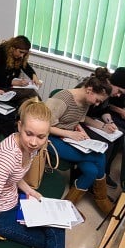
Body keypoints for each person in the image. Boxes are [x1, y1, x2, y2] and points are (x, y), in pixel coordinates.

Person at [0, 99, 64, 248]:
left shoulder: (31, 147)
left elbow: (14, 176)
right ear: (20, 126)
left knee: (57, 228)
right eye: (29, 133)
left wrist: (31, 192)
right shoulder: (7, 156)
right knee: (49, 244)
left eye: (41, 136)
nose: (34, 142)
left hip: (13, 200)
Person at [45, 75, 116, 215]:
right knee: (99, 156)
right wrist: (70, 134)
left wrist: (84, 135)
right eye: (97, 100)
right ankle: (101, 199)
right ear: (89, 90)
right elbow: (42, 126)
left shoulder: (85, 102)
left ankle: (66, 206)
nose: (97, 104)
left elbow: (74, 121)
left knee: (92, 171)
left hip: (66, 138)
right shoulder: (62, 99)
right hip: (49, 139)